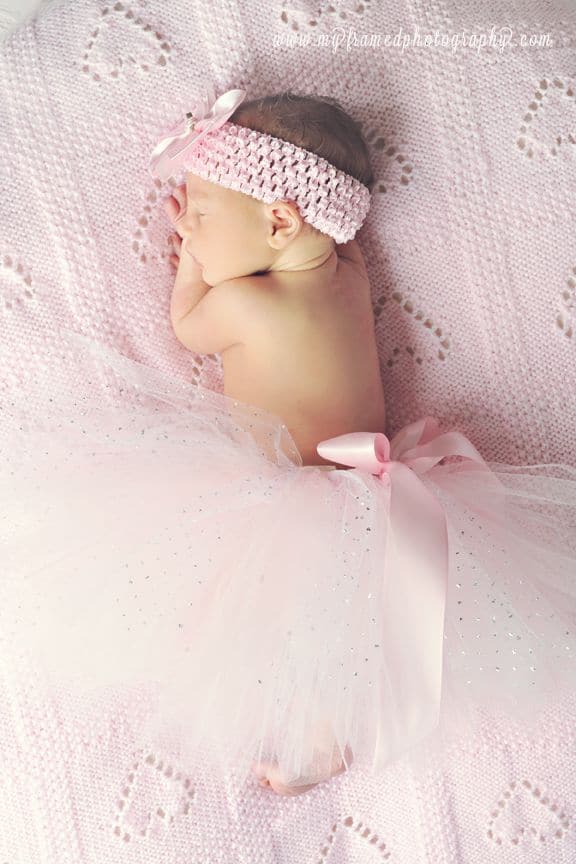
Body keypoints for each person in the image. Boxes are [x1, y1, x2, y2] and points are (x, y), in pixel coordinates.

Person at [2, 87, 575, 798]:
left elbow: (189, 329)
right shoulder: (347, 278)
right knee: (341, 631)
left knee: (271, 627)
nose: (190, 226)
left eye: (202, 213)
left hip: (284, 494)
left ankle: (315, 741)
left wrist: (189, 264)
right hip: (371, 495)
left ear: (279, 222)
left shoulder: (247, 302)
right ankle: (323, 736)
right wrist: (222, 224)